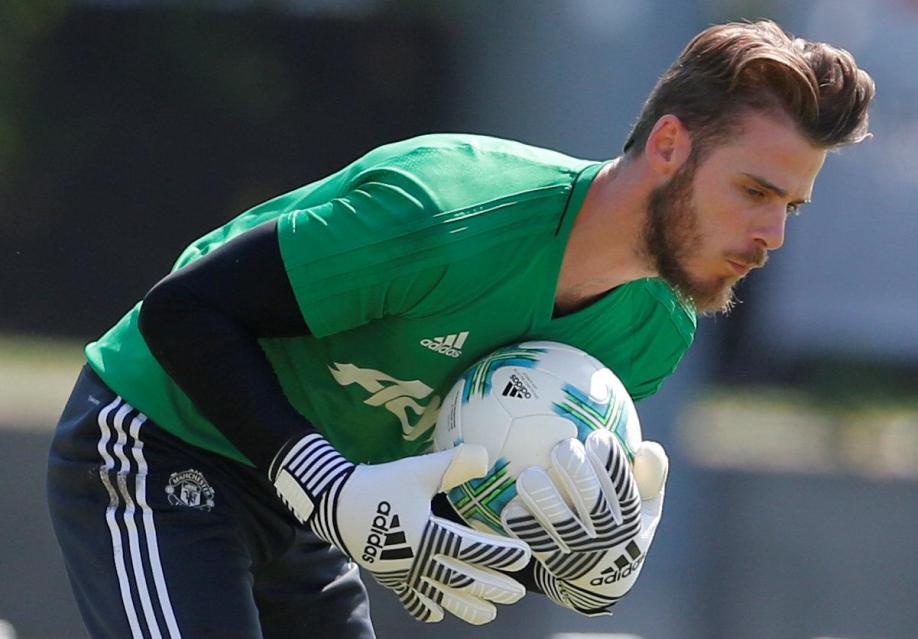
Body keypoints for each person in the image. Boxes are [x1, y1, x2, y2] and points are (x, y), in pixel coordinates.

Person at [47, 19, 874, 639]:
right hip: (161, 444)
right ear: (668, 146)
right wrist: (328, 482)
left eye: (791, 206)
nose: (773, 237)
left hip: (306, 511)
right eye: (756, 192)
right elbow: (180, 314)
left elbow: (467, 495)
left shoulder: (654, 330)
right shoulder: (449, 209)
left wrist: (576, 566)